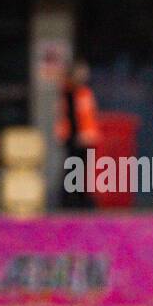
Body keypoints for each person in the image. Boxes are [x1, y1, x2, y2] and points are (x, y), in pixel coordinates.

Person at [55, 60, 100, 210]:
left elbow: (88, 116)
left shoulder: (84, 92)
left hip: (85, 138)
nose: (84, 75)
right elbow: (70, 117)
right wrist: (76, 136)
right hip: (74, 138)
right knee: (72, 170)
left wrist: (89, 135)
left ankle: (80, 200)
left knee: (80, 171)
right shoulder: (68, 92)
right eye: (81, 72)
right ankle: (69, 202)